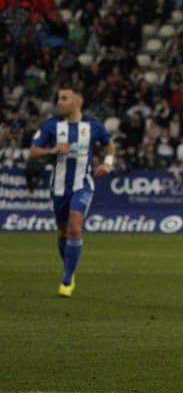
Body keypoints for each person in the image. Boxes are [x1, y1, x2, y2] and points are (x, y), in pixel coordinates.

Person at [28, 87, 115, 296]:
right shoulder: (51, 126)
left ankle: (67, 278)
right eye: (59, 98)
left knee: (75, 227)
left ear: (77, 102)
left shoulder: (92, 125)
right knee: (62, 232)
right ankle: (69, 267)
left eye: (64, 98)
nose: (59, 102)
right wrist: (52, 150)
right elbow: (33, 151)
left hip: (82, 184)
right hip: (58, 186)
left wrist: (108, 164)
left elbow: (109, 145)